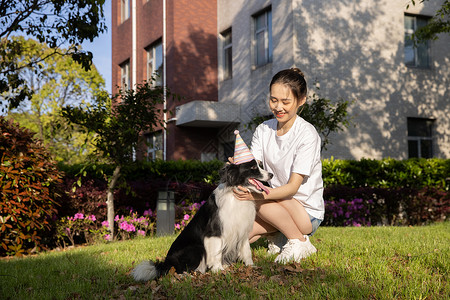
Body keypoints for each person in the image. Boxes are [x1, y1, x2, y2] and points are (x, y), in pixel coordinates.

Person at [231, 68, 324, 264]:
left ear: (301, 100)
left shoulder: (307, 134)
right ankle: (279, 235)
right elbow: (251, 165)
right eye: (274, 100)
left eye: (286, 102)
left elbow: (292, 188)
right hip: (275, 204)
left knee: (256, 200)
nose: (278, 107)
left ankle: (298, 240)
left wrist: (256, 195)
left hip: (306, 212)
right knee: (236, 238)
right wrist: (236, 165)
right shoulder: (264, 129)